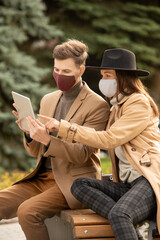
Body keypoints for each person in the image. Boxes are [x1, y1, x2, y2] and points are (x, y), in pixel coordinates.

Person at [39, 48, 160, 240]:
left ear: (123, 77)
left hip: (147, 182)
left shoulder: (138, 103)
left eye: (108, 75)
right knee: (79, 185)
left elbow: (108, 139)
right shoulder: (117, 106)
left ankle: (128, 221)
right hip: (128, 185)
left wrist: (64, 128)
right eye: (103, 75)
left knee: (120, 214)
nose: (104, 80)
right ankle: (136, 224)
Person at [0, 39, 110, 240]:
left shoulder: (98, 106)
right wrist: (29, 132)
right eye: (56, 69)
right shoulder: (48, 99)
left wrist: (49, 140)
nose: (59, 75)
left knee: (28, 212)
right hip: (42, 178)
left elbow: (83, 154)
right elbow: (36, 152)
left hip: (73, 181)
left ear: (81, 69)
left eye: (66, 71)